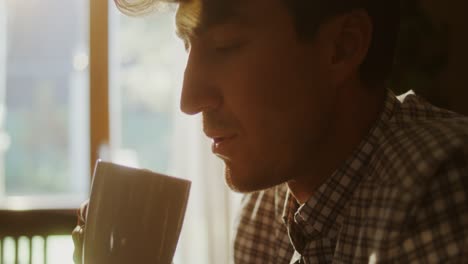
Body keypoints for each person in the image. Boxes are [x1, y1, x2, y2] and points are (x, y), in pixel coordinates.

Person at [74, 0, 468, 263]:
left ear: (342, 47)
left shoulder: (441, 188)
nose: (190, 99)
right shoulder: (266, 216)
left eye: (225, 46)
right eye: (188, 47)